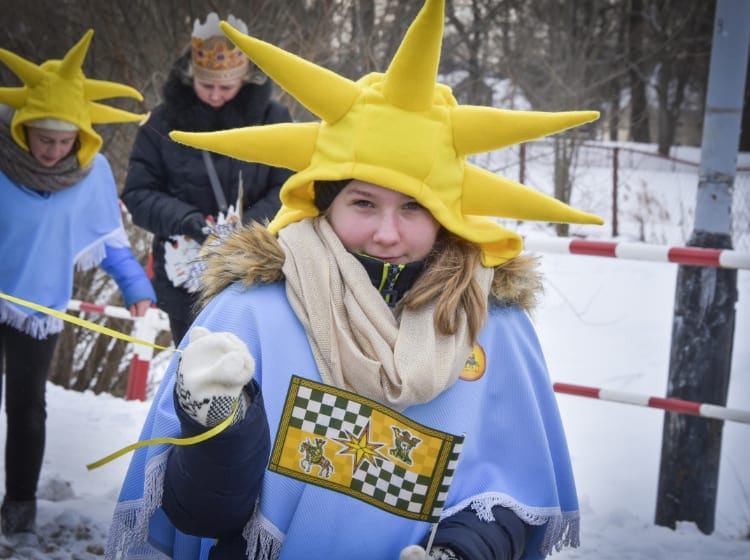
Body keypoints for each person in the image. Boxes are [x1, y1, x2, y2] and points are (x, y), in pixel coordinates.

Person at [107, 0, 604, 558]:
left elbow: (507, 491)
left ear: (446, 212)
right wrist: (220, 423)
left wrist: (461, 552)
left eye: (414, 208)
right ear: (323, 202)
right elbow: (200, 513)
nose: (387, 234)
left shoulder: (490, 325)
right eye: (363, 202)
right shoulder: (253, 312)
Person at [0, 30, 156, 539]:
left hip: (37, 307)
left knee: (27, 408)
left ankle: (19, 506)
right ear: (23, 129)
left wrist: (136, 288)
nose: (53, 150)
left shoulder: (92, 173)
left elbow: (110, 240)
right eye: (44, 139)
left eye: (65, 141)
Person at [121, 12, 294, 346]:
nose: (216, 95)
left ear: (245, 81)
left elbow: (291, 187)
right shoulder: (161, 122)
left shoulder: (274, 118)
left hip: (255, 266)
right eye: (207, 86)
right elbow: (138, 194)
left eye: (226, 87)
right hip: (185, 272)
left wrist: (247, 225)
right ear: (190, 78)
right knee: (194, 368)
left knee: (248, 367)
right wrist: (189, 221)